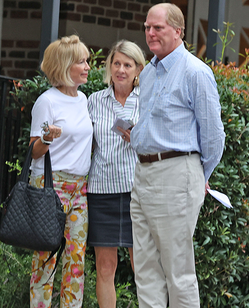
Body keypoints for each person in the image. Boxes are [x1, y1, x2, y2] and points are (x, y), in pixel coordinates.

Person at [122, 3, 226, 307]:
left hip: (176, 175)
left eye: (158, 28)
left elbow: (214, 136)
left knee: (177, 271)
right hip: (143, 176)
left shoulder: (195, 72)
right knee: (144, 269)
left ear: (178, 31)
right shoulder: (150, 72)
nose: (150, 33)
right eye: (147, 27)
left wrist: (196, 176)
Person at [27, 35, 93, 308]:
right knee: (45, 258)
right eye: (82, 61)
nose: (88, 66)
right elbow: (33, 151)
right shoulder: (47, 101)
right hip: (49, 185)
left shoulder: (84, 99)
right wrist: (47, 139)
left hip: (80, 188)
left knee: (76, 260)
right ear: (66, 66)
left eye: (88, 60)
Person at [87, 40, 146, 308]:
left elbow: (161, 146)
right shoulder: (94, 101)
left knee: (142, 267)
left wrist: (139, 138)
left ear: (138, 70)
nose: (121, 70)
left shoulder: (147, 101)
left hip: (138, 192)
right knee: (105, 266)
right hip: (101, 191)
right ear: (109, 66)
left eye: (128, 65)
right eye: (117, 63)